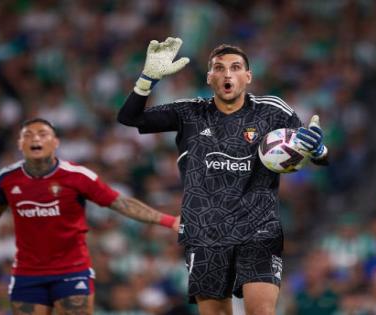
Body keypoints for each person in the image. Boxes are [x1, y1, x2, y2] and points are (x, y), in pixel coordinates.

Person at [117, 37, 328, 315]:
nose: (227, 73)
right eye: (219, 68)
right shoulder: (189, 112)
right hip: (204, 231)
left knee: (261, 311)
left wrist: (319, 148)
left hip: (258, 228)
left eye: (236, 67)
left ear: (248, 76)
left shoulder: (273, 110)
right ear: (209, 77)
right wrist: (147, 79)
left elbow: (315, 155)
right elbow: (129, 118)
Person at [0, 118, 180, 315]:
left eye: (43, 134)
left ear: (55, 143)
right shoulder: (7, 178)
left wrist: (169, 221)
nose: (36, 138)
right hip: (27, 273)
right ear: (20, 144)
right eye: (28, 135)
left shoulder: (77, 176)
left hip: (72, 270)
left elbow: (120, 202)